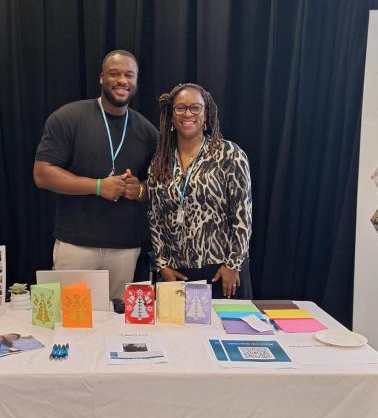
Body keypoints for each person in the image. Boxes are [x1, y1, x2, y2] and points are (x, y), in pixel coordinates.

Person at [33, 50, 159, 300]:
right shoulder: (68, 117)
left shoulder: (148, 131)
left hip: (125, 247)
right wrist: (98, 186)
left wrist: (140, 190)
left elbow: (160, 187)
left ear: (136, 81)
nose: (122, 80)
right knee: (68, 318)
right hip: (76, 244)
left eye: (129, 75)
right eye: (114, 74)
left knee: (116, 319)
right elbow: (42, 174)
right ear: (101, 78)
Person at [147, 83, 252, 299]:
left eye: (195, 108)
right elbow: (155, 217)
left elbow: (243, 215)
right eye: (180, 108)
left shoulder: (229, 154)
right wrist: (162, 265)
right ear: (172, 116)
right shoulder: (160, 161)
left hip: (221, 272)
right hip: (177, 274)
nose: (188, 114)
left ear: (206, 114)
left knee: (223, 323)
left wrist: (233, 264)